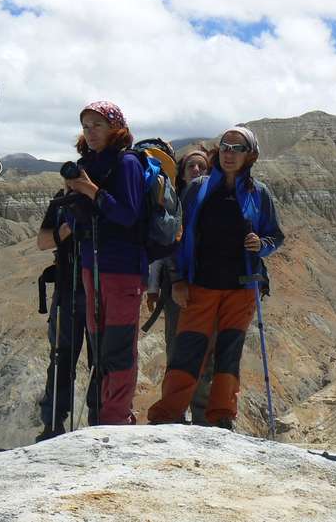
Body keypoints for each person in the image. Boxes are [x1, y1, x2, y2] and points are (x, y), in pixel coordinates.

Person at [148, 127, 284, 430]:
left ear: (251, 155)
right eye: (225, 146)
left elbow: (276, 236)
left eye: (237, 148)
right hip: (201, 286)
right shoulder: (198, 188)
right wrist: (179, 279)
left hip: (241, 288)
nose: (229, 152)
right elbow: (179, 237)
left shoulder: (258, 193)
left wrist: (261, 246)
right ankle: (167, 415)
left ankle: (221, 418)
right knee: (187, 351)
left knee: (228, 353)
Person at [64, 101, 146, 425]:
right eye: (86, 125)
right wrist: (74, 195)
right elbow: (76, 217)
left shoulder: (127, 164)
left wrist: (89, 190)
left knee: (119, 346)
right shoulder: (88, 164)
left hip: (123, 268)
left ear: (115, 127)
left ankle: (117, 417)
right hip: (91, 263)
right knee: (98, 344)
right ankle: (102, 414)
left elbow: (128, 214)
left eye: (97, 124)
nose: (90, 131)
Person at [145, 147, 212, 424]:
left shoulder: (215, 201)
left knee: (207, 352)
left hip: (209, 286)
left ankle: (203, 415)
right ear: (181, 173)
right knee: (177, 349)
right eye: (191, 167)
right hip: (177, 288)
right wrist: (156, 286)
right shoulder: (172, 203)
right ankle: (173, 414)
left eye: (202, 167)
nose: (196, 171)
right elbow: (164, 248)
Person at [34, 186, 90, 440]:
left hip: (97, 288)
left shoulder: (103, 193)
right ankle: (52, 423)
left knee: (99, 359)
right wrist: (65, 230)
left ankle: (100, 419)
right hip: (68, 289)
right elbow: (42, 241)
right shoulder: (62, 198)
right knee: (61, 359)